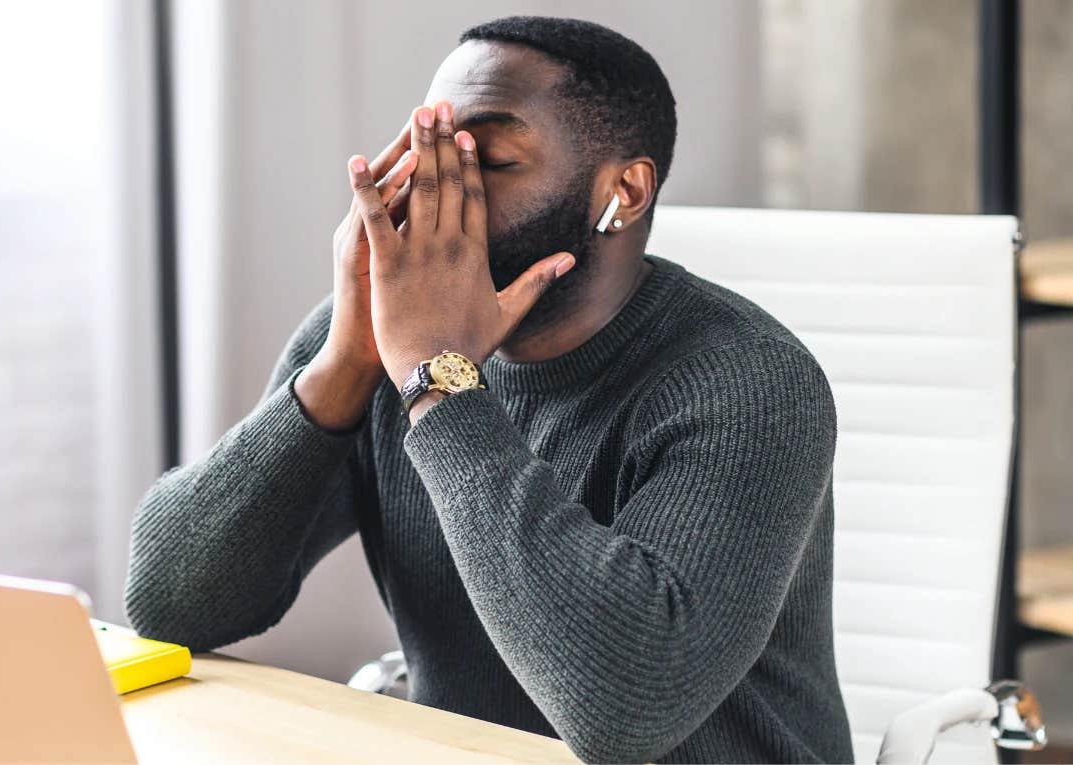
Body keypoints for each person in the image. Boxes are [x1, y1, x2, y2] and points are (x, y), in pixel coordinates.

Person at [126, 15, 853, 764]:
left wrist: (438, 382)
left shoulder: (753, 383)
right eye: (431, 151)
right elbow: (169, 602)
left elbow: (625, 710)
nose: (440, 189)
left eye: (491, 158)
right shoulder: (383, 335)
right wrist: (346, 362)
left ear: (625, 192)